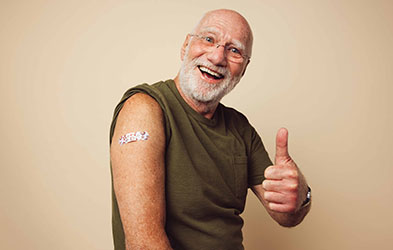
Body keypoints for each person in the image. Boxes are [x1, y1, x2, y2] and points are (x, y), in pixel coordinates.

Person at [109, 9, 311, 250]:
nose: (217, 57)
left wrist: (301, 196)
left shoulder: (241, 129)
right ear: (186, 45)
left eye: (234, 50)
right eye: (208, 39)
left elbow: (286, 216)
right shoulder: (144, 109)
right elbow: (143, 244)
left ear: (244, 69)